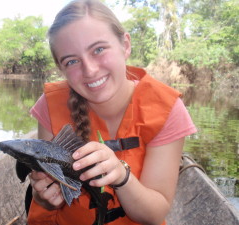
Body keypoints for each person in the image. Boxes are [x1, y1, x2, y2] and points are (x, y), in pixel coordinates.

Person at [28, 0, 197, 224]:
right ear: (61, 69)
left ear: (125, 45)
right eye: (72, 61)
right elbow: (49, 194)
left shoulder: (166, 109)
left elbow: (154, 214)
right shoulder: (49, 106)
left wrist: (121, 175)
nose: (90, 70)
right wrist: (46, 197)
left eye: (98, 49)